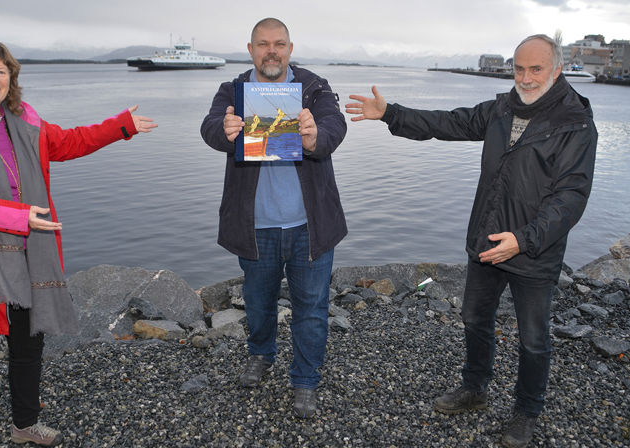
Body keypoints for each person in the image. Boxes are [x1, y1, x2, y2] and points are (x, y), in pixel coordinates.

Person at [345, 34, 596, 447]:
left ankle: (526, 412)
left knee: (533, 338)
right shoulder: (501, 108)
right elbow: (448, 122)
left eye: (536, 70)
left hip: (534, 251)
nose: (526, 78)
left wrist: (523, 239)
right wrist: (391, 113)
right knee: (475, 319)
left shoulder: (575, 123)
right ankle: (474, 389)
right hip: (487, 240)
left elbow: (571, 197)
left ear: (556, 70)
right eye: (519, 68)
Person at [0, 39, 157, 447]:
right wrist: (18, 217)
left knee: (28, 345)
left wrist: (120, 126)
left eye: (0, 71)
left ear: (11, 78)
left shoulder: (26, 122)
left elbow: (68, 142)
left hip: (29, 254)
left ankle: (24, 425)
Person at [200, 17, 347, 418]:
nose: (272, 51)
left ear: (290, 48)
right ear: (250, 49)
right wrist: (224, 130)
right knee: (259, 302)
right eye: (263, 44)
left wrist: (317, 137)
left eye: (279, 43)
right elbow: (209, 127)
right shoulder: (232, 90)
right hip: (255, 226)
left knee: (312, 308)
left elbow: (336, 125)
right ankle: (261, 353)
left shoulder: (314, 88)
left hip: (309, 226)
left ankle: (304, 381)